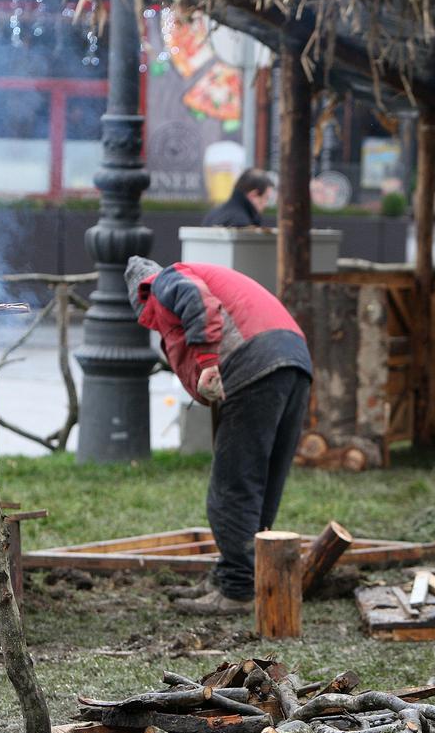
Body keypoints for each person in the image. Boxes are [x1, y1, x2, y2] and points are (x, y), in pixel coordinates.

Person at [124, 256, 312, 615]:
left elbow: (196, 300)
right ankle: (248, 575)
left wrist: (209, 360)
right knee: (264, 480)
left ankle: (238, 589)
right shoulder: (194, 276)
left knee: (233, 486)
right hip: (294, 359)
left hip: (253, 361)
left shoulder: (165, 281)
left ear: (141, 294)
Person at [201, 168, 272, 227]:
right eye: (266, 198)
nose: (265, 205)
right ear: (253, 195)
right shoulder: (242, 224)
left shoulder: (213, 214)